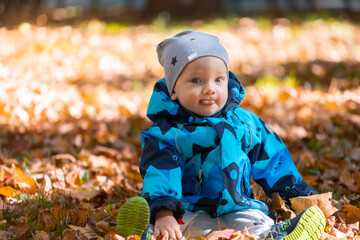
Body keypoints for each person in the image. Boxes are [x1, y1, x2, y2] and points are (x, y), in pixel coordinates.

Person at [117, 30, 326, 240]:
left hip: (238, 207)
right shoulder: (167, 133)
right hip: (188, 210)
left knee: (257, 221)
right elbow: (160, 172)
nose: (210, 89)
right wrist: (165, 212)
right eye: (196, 81)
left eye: (218, 80)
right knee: (170, 229)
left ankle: (277, 236)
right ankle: (142, 232)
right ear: (174, 90)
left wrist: (297, 195)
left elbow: (272, 157)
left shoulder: (244, 124)